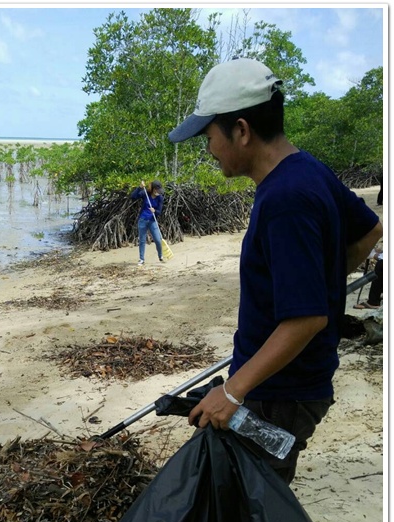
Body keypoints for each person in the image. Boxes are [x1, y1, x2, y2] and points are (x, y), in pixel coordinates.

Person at [168, 58, 383, 485]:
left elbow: (306, 319)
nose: (209, 149)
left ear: (241, 131)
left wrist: (230, 392)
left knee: (253, 514)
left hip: (281, 392)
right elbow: (370, 227)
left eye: (209, 136)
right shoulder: (309, 170)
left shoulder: (286, 199)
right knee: (258, 506)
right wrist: (320, 282)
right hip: (291, 381)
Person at [130, 179, 164, 265]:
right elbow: (133, 197)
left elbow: (159, 211)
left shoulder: (160, 198)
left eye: (159, 191)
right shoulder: (145, 193)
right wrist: (139, 188)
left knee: (158, 239)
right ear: (153, 189)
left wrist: (154, 211)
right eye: (156, 190)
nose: (158, 192)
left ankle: (160, 256)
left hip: (153, 221)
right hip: (143, 220)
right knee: (142, 240)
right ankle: (141, 259)